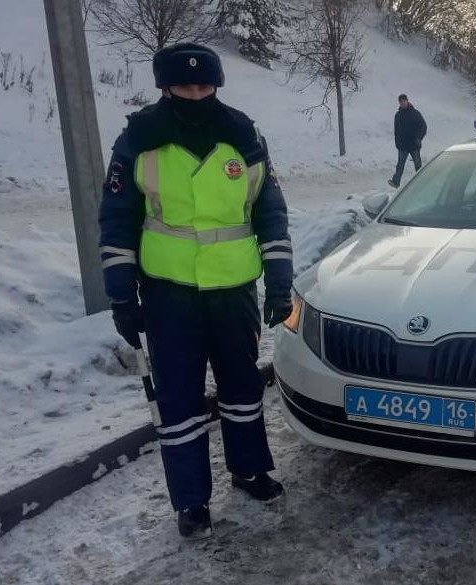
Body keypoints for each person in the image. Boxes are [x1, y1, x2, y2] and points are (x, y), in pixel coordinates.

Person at [98, 43, 294, 539]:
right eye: (185, 87)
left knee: (242, 389)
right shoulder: (139, 139)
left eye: (205, 86)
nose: (195, 94)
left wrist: (279, 284)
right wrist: (121, 295)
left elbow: (269, 211)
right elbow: (118, 220)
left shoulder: (244, 136)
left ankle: (249, 470)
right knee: (179, 399)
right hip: (169, 293)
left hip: (233, 291)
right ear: (165, 87)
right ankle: (191, 500)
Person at [388, 93, 427, 188]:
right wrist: (397, 142)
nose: (402, 103)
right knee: (400, 165)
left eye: (404, 101)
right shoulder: (398, 115)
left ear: (407, 101)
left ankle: (422, 182)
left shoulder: (415, 113)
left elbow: (423, 127)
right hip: (403, 146)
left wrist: (418, 138)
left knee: (418, 164)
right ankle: (396, 182)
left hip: (414, 144)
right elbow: (396, 130)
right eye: (401, 102)